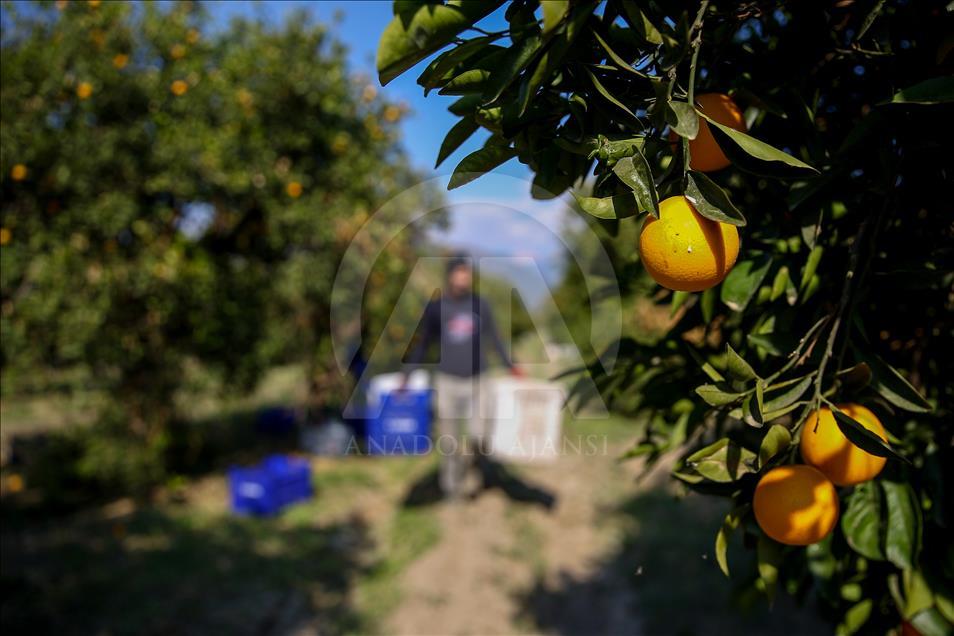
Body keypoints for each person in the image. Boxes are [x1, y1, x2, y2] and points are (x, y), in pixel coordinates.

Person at [401, 255, 522, 499]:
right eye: (459, 272)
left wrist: (512, 366)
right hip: (447, 381)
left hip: (479, 380)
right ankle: (452, 488)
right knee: (449, 440)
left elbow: (495, 339)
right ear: (450, 275)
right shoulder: (436, 308)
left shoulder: (481, 305)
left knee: (480, 435)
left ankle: (479, 468)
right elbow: (423, 344)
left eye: (467, 272)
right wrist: (407, 374)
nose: (464, 277)